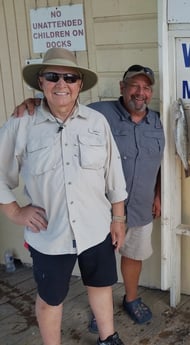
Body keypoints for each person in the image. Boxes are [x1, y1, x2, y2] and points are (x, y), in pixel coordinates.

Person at [14, 64, 165, 329]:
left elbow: (160, 163)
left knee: (133, 256)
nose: (140, 93)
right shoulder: (99, 113)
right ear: (122, 87)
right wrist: (36, 101)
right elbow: (63, 107)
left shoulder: (157, 121)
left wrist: (158, 194)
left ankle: (131, 299)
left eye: (146, 88)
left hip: (140, 206)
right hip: (100, 211)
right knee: (99, 269)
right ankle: (101, 313)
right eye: (134, 86)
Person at [0, 47, 127, 345]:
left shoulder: (96, 122)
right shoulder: (21, 123)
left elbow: (114, 174)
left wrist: (118, 217)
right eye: (52, 76)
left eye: (70, 77)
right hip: (49, 233)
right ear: (40, 82)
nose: (62, 84)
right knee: (50, 299)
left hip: (95, 228)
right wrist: (15, 212)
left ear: (79, 83)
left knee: (101, 286)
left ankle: (108, 338)